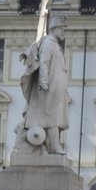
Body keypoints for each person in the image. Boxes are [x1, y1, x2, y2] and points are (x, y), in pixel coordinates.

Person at [19, 12, 70, 156]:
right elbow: (44, 63)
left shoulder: (56, 46)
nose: (63, 31)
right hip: (49, 88)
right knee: (52, 117)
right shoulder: (48, 44)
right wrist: (43, 81)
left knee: (55, 117)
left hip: (56, 89)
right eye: (61, 28)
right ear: (54, 29)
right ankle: (53, 146)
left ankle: (52, 145)